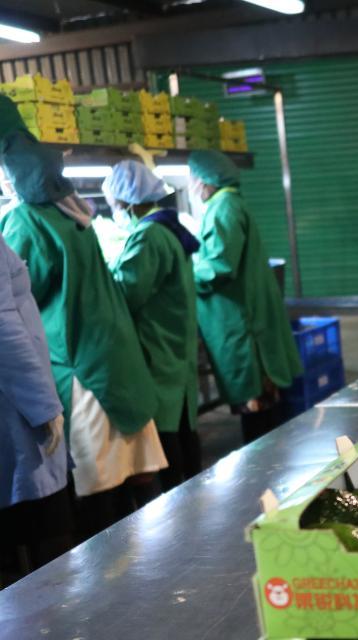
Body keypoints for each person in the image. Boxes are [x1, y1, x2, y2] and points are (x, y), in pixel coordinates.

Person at [0, 99, 166, 537]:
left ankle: (112, 573)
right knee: (131, 482)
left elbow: (15, 304)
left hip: (82, 366)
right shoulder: (73, 211)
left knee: (98, 491)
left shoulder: (25, 221)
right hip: (115, 358)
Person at [188, 150, 303, 443]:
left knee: (257, 409)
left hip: (240, 319)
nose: (191, 186)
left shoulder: (223, 208)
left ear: (205, 180)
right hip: (244, 313)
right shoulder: (230, 203)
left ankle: (263, 462)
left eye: (193, 179)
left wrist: (184, 273)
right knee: (262, 408)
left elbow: (219, 265)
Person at [104, 160, 201, 490]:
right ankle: (194, 494)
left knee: (167, 431)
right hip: (174, 343)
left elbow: (127, 292)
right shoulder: (167, 226)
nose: (114, 210)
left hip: (158, 346)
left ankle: (178, 500)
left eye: (114, 204)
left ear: (128, 202)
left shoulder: (147, 237)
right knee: (182, 425)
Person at [0, 234, 71, 586]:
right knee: (42, 535)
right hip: (15, 404)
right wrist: (43, 405)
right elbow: (3, 324)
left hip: (16, 395)